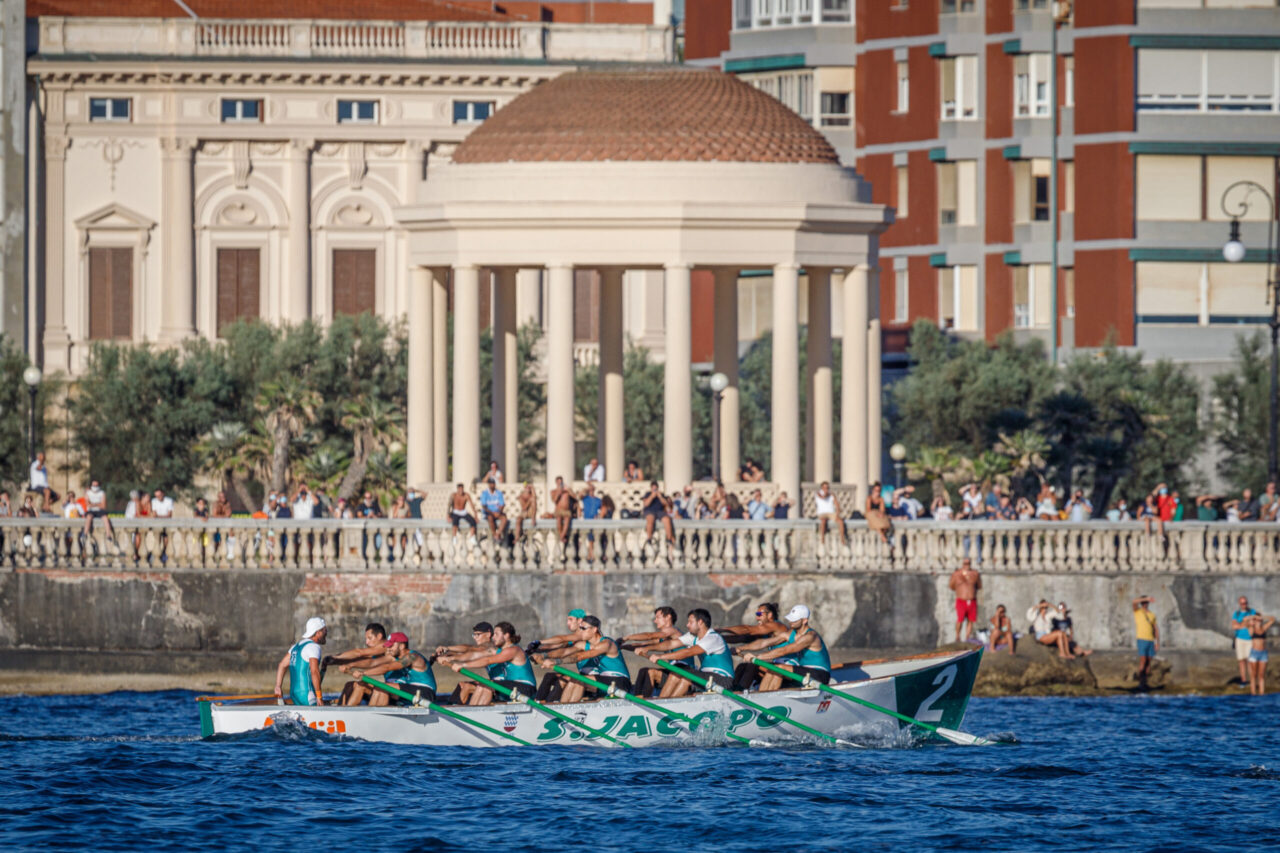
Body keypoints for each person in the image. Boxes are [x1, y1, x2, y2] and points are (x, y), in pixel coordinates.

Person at [535, 615, 631, 702]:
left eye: (583, 628)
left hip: (620, 682)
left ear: (594, 629)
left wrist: (555, 662)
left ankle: (567, 709)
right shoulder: (584, 645)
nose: (580, 631)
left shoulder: (606, 644)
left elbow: (579, 657)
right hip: (605, 682)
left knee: (580, 680)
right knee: (575, 679)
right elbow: (564, 652)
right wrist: (544, 656)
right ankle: (563, 709)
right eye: (580, 628)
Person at [736, 604, 832, 691]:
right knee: (773, 668)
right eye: (790, 618)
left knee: (780, 668)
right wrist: (742, 648)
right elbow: (765, 643)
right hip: (803, 672)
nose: (790, 622)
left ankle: (764, 698)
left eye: (794, 620)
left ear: (805, 620)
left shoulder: (810, 636)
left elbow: (784, 650)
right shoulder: (791, 633)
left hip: (819, 674)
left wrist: (757, 657)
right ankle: (760, 697)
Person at [441, 621, 536, 704]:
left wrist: (462, 665)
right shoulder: (498, 651)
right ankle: (458, 710)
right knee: (475, 684)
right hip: (511, 688)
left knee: (486, 684)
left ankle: (472, 715)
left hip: (526, 689)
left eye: (496, 634)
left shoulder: (513, 649)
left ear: (506, 636)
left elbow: (488, 660)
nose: (493, 637)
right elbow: (473, 655)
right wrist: (450, 657)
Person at [647, 609, 734, 698]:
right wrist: (647, 648)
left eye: (690, 622)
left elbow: (688, 652)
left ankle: (667, 705)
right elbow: (671, 644)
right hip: (706, 676)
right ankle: (661, 703)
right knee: (676, 672)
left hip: (723, 680)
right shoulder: (693, 637)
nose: (687, 625)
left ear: (700, 622)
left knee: (685, 676)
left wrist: (661, 656)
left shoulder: (713, 638)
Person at [621, 606, 686, 697]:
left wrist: (626, 638)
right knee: (643, 670)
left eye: (658, 617)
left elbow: (649, 636)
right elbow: (644, 644)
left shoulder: (673, 630)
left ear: (668, 617)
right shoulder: (664, 637)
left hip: (683, 672)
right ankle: (638, 697)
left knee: (651, 672)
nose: (655, 621)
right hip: (672, 671)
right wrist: (622, 646)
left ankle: (645, 701)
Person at [323, 622, 389, 704]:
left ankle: (347, 713)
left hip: (397, 691)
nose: (367, 642)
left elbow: (359, 652)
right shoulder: (377, 653)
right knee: (349, 685)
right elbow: (363, 660)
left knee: (360, 686)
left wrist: (336, 657)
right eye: (366, 639)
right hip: (388, 687)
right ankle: (341, 709)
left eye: (369, 638)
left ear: (379, 636)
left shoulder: (386, 646)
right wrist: (335, 661)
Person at [436, 622, 495, 705]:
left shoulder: (492, 646)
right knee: (462, 685)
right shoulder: (481, 649)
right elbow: (466, 653)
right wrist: (445, 654)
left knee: (467, 686)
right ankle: (451, 707)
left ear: (488, 634)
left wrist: (449, 652)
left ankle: (457, 712)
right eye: (474, 635)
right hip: (493, 683)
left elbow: (470, 649)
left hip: (501, 686)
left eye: (478, 634)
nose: (475, 638)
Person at [275, 617, 327, 706]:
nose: (326, 633)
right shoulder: (314, 647)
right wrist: (319, 696)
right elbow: (314, 672)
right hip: (306, 694)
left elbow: (282, 665)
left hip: (294, 694)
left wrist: (278, 686)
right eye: (325, 630)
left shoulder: (296, 646)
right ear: (318, 632)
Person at [949, 558, 981, 642]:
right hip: (961, 600)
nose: (967, 565)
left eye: (968, 563)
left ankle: (967, 637)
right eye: (965, 563)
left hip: (972, 600)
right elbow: (951, 586)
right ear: (962, 564)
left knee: (971, 620)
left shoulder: (975, 574)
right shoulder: (956, 574)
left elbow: (979, 586)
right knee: (960, 619)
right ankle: (957, 636)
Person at [1232, 596, 1260, 687]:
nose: (1244, 605)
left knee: (1250, 661)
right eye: (1242, 603)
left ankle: (1252, 680)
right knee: (1241, 660)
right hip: (1239, 639)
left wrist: (1245, 623)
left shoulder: (1252, 612)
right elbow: (1234, 626)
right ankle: (1243, 680)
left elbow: (1256, 622)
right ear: (1239, 604)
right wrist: (1245, 623)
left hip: (1249, 639)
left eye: (1245, 603)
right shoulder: (1236, 614)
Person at [1133, 595, 1159, 689]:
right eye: (1143, 602)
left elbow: (1155, 629)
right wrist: (1146, 598)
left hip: (1151, 640)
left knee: (1148, 661)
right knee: (1143, 660)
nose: (1145, 604)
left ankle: (1145, 682)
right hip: (1142, 639)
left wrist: (1157, 642)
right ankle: (1141, 682)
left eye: (1146, 602)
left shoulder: (1152, 614)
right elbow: (1134, 601)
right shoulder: (1138, 612)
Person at [1246, 612, 1274, 695]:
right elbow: (1246, 620)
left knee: (1261, 675)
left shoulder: (1264, 628)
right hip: (1254, 653)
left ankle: (1262, 692)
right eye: (1257, 620)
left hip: (1263, 653)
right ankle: (1253, 692)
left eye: (1259, 620)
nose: (1258, 621)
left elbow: (1272, 619)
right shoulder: (1251, 628)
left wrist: (1262, 616)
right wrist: (1253, 617)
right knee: (1253, 674)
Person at [642, 480, 675, 546]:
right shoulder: (648, 494)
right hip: (650, 510)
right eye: (653, 488)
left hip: (659, 511)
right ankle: (649, 538)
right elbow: (646, 504)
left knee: (667, 519)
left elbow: (665, 504)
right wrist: (651, 496)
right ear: (651, 488)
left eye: (656, 488)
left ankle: (669, 539)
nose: (654, 490)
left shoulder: (661, 494)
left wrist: (660, 496)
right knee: (650, 520)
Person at [550, 476, 575, 545]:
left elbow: (575, 497)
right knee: (559, 519)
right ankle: (562, 536)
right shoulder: (553, 491)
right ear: (556, 483)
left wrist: (569, 490)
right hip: (558, 510)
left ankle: (561, 537)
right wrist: (559, 492)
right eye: (559, 483)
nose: (560, 484)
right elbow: (554, 500)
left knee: (567, 520)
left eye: (561, 482)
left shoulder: (567, 491)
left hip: (566, 510)